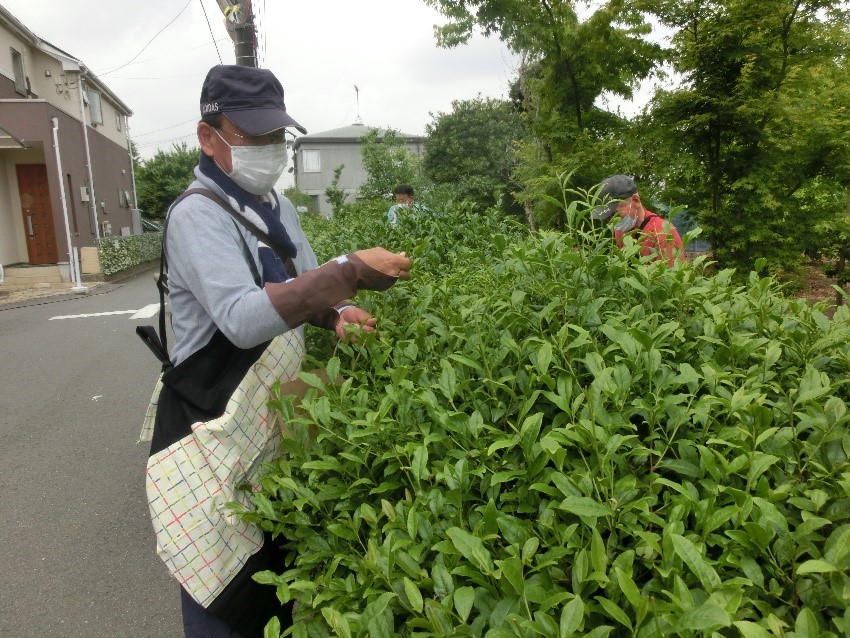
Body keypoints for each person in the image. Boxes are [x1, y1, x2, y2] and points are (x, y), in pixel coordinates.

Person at [140, 64, 411, 638]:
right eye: (253, 137)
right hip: (211, 427)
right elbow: (241, 320)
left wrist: (338, 313)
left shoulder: (277, 208)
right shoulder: (196, 216)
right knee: (223, 585)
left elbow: (303, 284)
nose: (269, 149)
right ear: (208, 137)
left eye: (275, 137)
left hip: (266, 424)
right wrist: (350, 272)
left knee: (271, 573)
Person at [591, 174, 684, 266]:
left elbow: (671, 276)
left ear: (635, 201)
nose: (612, 221)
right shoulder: (620, 232)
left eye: (615, 214)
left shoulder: (663, 232)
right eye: (608, 216)